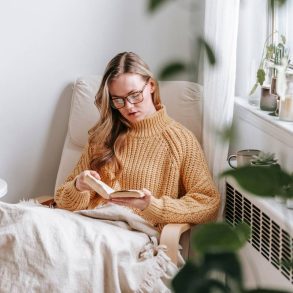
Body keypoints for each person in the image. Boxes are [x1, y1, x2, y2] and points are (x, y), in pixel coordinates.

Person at [55, 51, 220, 231]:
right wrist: (78, 186)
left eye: (134, 95)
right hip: (86, 226)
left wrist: (151, 206)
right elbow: (62, 200)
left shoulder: (180, 140)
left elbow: (208, 203)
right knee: (23, 220)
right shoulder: (102, 136)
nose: (128, 106)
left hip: (130, 235)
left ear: (151, 85)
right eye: (118, 100)